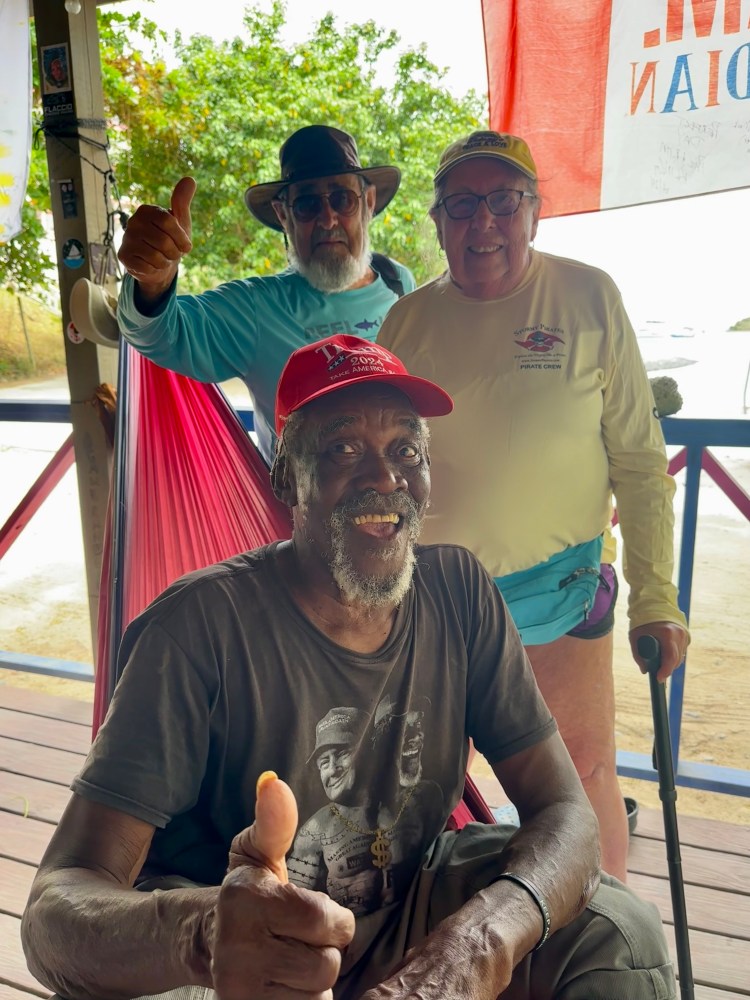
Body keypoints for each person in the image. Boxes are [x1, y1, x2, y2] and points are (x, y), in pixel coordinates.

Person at [22, 334, 677, 1000]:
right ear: (287, 476)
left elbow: (568, 814)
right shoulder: (195, 629)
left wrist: (474, 946)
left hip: (408, 908)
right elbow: (55, 909)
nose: (384, 477)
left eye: (406, 451)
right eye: (342, 449)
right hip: (238, 948)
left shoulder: (458, 592)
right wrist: (203, 934)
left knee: (619, 934)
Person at [377, 129, 691, 882]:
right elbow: (377, 470)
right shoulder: (405, 322)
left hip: (562, 593)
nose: (482, 221)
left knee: (582, 774)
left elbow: (642, 466)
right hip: (436, 603)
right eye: (460, 204)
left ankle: (610, 945)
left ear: (534, 213)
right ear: (439, 221)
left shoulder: (588, 295)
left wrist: (658, 601)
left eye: (502, 200)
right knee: (422, 790)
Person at [116, 124, 416, 463]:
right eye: (306, 204)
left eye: (342, 198)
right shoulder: (256, 309)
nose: (328, 219)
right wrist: (152, 280)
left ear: (369, 202)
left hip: (399, 507)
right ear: (283, 215)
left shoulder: (399, 283)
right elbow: (161, 334)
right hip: (297, 515)